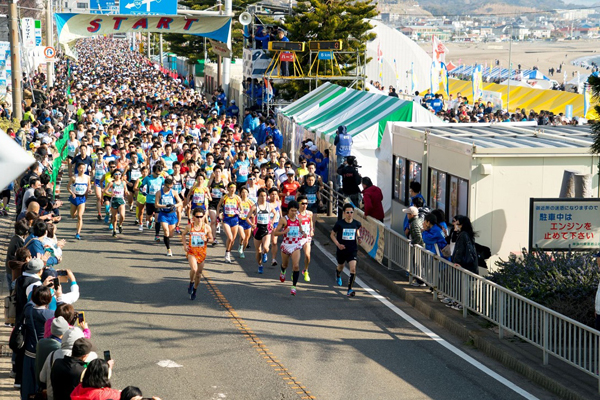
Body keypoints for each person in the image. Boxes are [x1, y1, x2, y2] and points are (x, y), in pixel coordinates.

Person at [21, 286, 55, 400]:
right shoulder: (50, 314)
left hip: (28, 352)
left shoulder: (28, 309)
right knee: (40, 385)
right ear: (49, 299)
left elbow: (30, 302)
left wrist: (39, 290)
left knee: (27, 384)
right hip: (42, 354)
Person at [273, 200, 307, 295]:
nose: (294, 213)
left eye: (295, 211)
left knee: (296, 266)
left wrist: (303, 233)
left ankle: (293, 287)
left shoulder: (298, 220)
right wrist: (284, 232)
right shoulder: (284, 220)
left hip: (296, 245)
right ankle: (282, 271)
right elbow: (275, 232)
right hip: (286, 245)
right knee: (285, 264)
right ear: (288, 210)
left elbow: (300, 230)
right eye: (292, 210)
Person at [330, 203, 362, 297]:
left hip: (352, 249)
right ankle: (338, 274)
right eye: (347, 212)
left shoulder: (356, 223)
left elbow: (357, 231)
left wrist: (359, 238)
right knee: (341, 266)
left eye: (351, 212)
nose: (349, 214)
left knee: (353, 269)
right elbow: (332, 235)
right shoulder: (339, 223)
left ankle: (349, 289)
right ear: (344, 213)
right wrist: (338, 244)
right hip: (341, 250)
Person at [181, 208, 213, 300]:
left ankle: (195, 289)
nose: (199, 218)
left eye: (201, 217)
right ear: (193, 217)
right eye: (197, 217)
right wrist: (185, 245)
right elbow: (183, 234)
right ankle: (191, 282)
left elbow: (212, 240)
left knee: (199, 274)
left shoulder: (206, 227)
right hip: (192, 252)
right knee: (194, 269)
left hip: (202, 253)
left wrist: (206, 239)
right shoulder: (189, 227)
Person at [155, 177, 183, 257]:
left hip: (172, 214)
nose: (169, 189)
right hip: (163, 214)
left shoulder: (174, 192)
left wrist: (174, 205)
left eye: (171, 187)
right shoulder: (159, 193)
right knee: (166, 231)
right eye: (168, 187)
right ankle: (168, 249)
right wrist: (165, 206)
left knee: (170, 235)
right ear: (164, 185)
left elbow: (180, 202)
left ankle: (166, 239)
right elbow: (156, 205)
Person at [217, 182, 242, 263]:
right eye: (231, 187)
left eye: (234, 188)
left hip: (235, 219)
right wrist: (218, 214)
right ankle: (227, 253)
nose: (233, 189)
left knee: (233, 239)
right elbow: (219, 206)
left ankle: (228, 251)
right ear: (228, 188)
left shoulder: (238, 198)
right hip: (226, 219)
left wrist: (239, 212)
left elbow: (241, 209)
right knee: (230, 237)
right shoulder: (224, 197)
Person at [69, 163, 91, 240]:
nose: (82, 170)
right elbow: (68, 187)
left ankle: (78, 233)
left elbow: (89, 185)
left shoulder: (87, 177)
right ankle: (74, 214)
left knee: (79, 216)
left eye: (83, 168)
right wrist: (72, 193)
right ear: (77, 168)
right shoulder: (74, 177)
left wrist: (89, 190)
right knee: (73, 216)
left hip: (82, 198)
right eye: (80, 168)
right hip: (74, 198)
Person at [103, 169, 129, 237]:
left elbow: (126, 190)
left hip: (121, 200)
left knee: (122, 216)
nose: (118, 175)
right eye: (116, 174)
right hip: (114, 201)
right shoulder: (111, 183)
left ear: (121, 175)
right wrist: (110, 194)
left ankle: (120, 224)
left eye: (119, 174)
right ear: (113, 175)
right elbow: (105, 191)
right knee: (114, 217)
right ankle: (114, 231)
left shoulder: (123, 182)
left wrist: (127, 192)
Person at [297, 195, 314, 282]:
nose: (304, 205)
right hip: (297, 238)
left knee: (307, 255)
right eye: (302, 203)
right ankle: (294, 272)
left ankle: (306, 270)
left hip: (306, 237)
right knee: (296, 258)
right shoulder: (295, 214)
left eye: (306, 203)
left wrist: (311, 230)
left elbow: (311, 222)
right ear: (298, 204)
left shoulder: (310, 213)